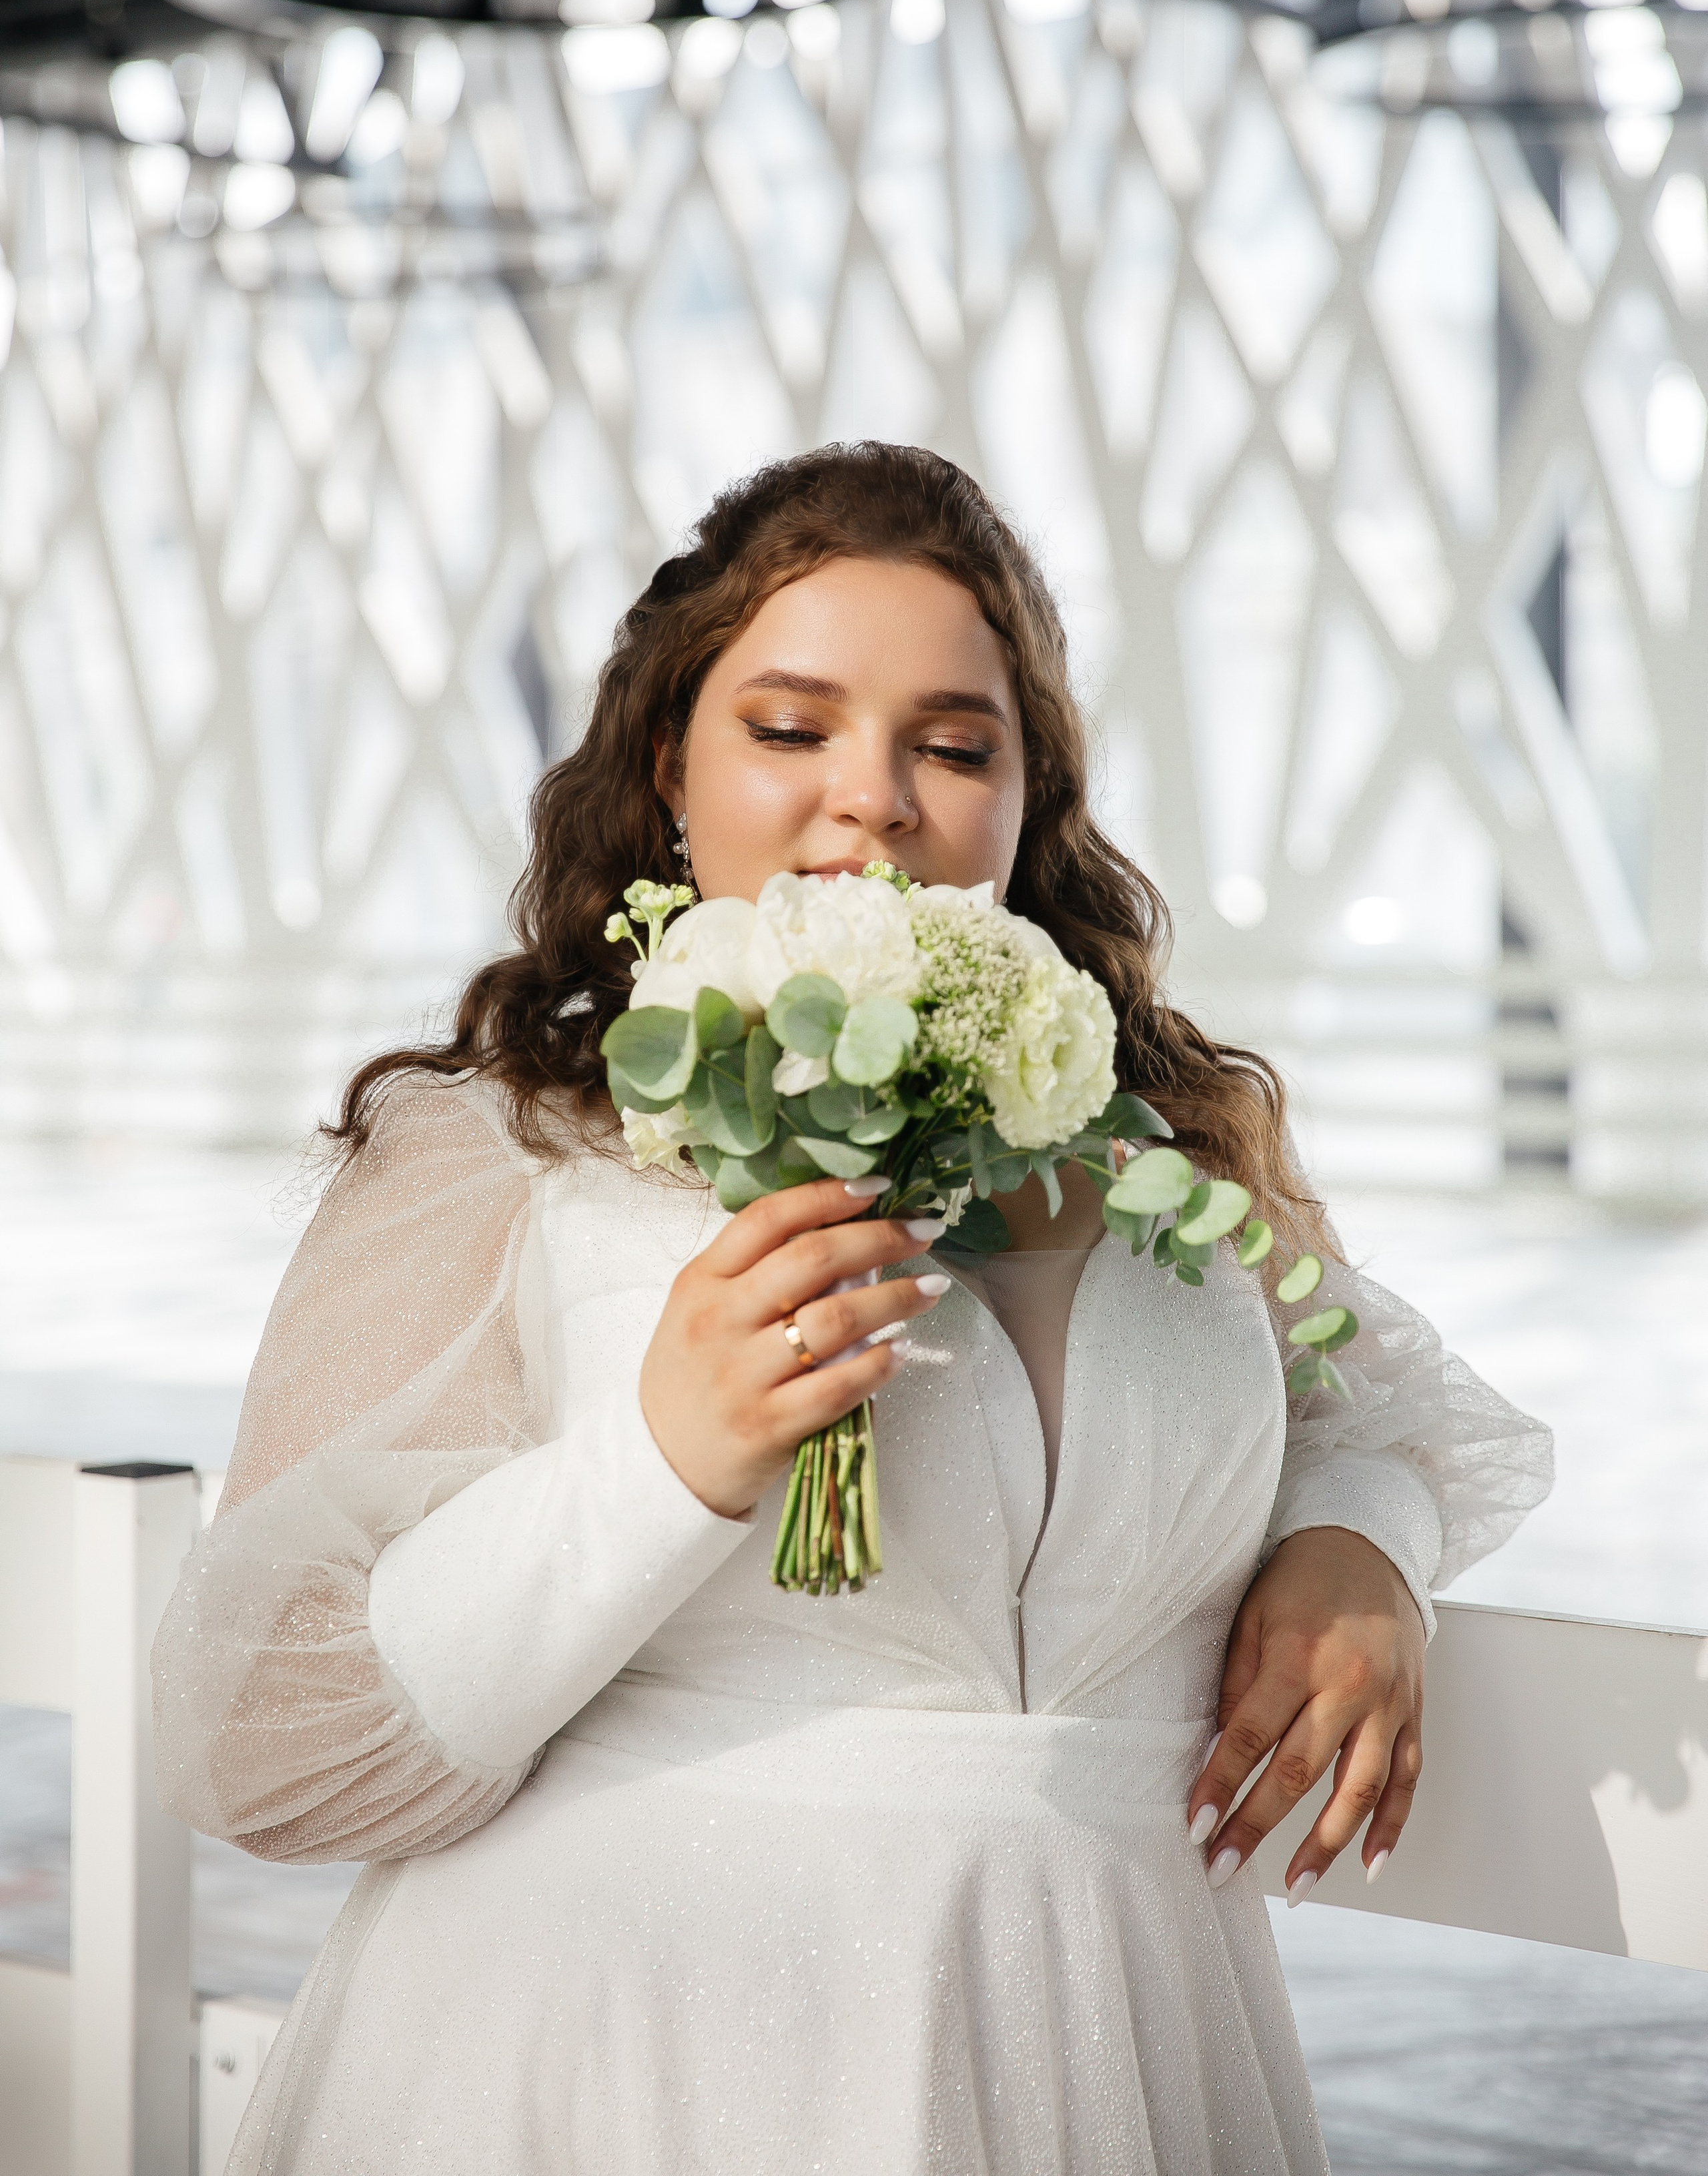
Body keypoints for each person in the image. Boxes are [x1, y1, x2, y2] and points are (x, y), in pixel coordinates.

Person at [153, 443, 1552, 2175]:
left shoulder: (1168, 1141)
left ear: (1031, 797)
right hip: (610, 2064)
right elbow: (257, 1743)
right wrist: (665, 1463)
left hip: (1117, 2044)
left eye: (954, 746)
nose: (875, 798)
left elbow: (1401, 1408)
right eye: (792, 727)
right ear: (671, 764)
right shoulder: (503, 1142)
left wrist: (1362, 1543)